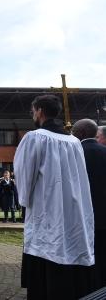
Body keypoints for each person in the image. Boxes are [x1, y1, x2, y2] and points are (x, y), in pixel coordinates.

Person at [14, 95, 94, 300]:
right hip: (74, 209)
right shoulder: (75, 141)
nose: (33, 115)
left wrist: (24, 200)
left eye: (33, 111)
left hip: (46, 210)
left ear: (40, 111)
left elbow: (24, 177)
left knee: (48, 252)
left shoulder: (34, 137)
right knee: (69, 249)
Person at [72, 119, 106, 289]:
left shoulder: (74, 154)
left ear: (80, 134)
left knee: (87, 259)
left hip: (83, 217)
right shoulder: (104, 151)